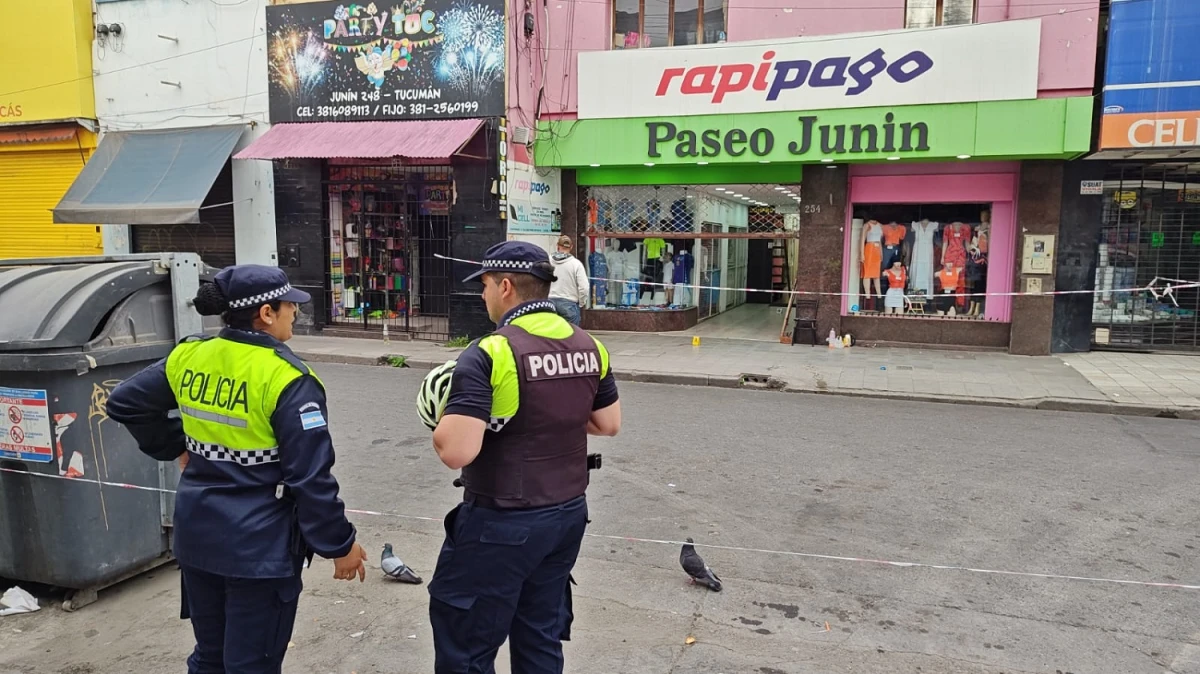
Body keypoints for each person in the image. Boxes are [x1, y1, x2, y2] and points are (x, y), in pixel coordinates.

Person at [105, 264, 367, 674]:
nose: (294, 314)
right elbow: (310, 479)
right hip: (258, 551)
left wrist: (178, 446)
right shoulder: (288, 379)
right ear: (266, 313)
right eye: (288, 306)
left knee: (210, 658)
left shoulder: (190, 355)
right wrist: (340, 545)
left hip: (198, 537)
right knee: (252, 664)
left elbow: (123, 402)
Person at [427, 241, 622, 673]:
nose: (482, 295)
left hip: (501, 522)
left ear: (507, 286)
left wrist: (439, 422)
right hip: (567, 516)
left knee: (466, 647)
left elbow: (457, 451)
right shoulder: (589, 345)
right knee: (539, 637)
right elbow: (607, 423)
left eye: (484, 286)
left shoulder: (491, 352)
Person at [548, 234, 590, 325]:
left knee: (550, 336)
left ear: (558, 246)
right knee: (571, 337)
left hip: (549, 303)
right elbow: (584, 287)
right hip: (569, 304)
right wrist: (581, 302)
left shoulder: (547, 261)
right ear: (571, 247)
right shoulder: (576, 264)